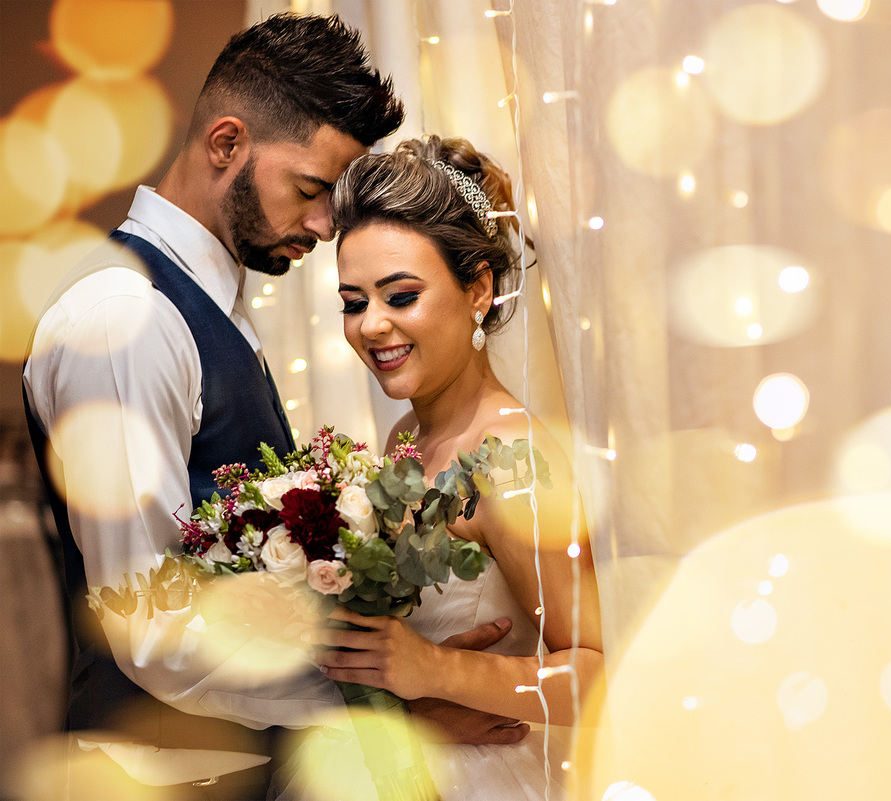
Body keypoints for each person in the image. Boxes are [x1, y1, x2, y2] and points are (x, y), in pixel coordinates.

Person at [23, 14, 527, 797]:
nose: (327, 227)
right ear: (227, 143)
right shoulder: (127, 317)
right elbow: (150, 625)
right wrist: (389, 702)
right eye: (312, 190)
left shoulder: (210, 307)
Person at [317, 135, 605, 800]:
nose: (372, 326)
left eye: (400, 295)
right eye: (354, 302)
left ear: (477, 288)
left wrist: (434, 669)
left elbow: (596, 673)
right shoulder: (403, 438)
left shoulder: (512, 457)